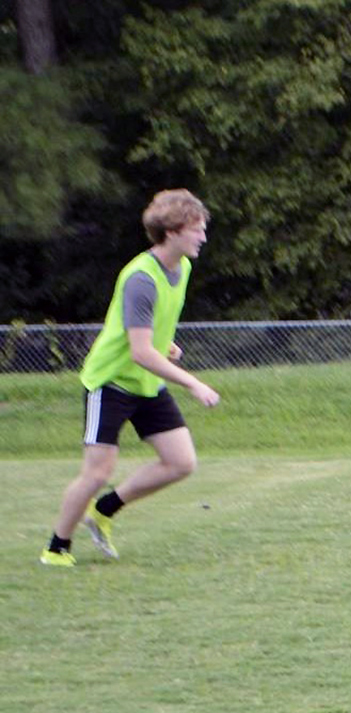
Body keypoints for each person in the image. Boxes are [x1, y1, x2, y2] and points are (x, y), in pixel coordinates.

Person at [43, 189, 221, 567]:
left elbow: (146, 331)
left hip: (145, 383)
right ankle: (56, 548)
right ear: (171, 232)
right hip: (111, 382)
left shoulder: (183, 268)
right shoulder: (141, 277)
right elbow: (139, 351)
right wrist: (192, 382)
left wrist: (166, 342)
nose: (203, 237)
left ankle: (104, 510)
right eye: (196, 230)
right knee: (98, 471)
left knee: (180, 462)